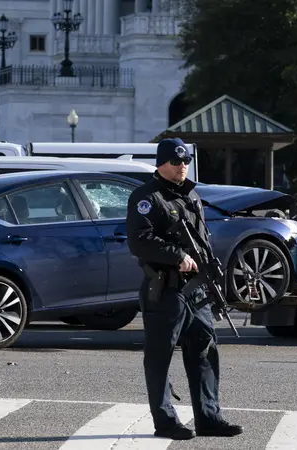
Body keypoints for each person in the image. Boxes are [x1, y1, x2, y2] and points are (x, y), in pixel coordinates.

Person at [125, 137, 243, 441]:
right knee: (160, 356)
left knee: (204, 352)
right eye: (176, 162)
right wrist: (177, 256)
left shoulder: (191, 194)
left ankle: (209, 417)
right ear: (161, 163)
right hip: (166, 289)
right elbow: (139, 241)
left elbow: (202, 238)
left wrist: (210, 271)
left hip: (197, 291)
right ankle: (165, 422)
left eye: (185, 161)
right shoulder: (146, 198)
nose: (182, 167)